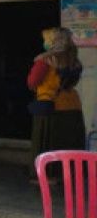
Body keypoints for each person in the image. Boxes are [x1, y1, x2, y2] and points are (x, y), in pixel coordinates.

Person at [28, 27, 86, 179]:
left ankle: (48, 176)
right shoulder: (75, 61)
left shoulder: (45, 60)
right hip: (72, 106)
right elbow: (72, 82)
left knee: (48, 145)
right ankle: (69, 176)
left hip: (50, 107)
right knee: (69, 143)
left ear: (54, 41)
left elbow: (32, 82)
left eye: (48, 39)